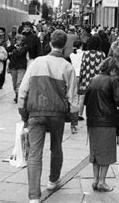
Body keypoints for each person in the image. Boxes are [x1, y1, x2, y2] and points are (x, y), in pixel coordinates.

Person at [17, 30, 79, 203]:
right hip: (57, 114)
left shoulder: (37, 62)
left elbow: (23, 90)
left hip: (35, 112)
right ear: (65, 45)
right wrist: (74, 119)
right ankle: (53, 180)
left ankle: (34, 196)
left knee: (34, 153)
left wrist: (23, 112)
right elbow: (73, 96)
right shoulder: (67, 67)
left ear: (50, 43)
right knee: (56, 146)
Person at [84, 57, 119, 193]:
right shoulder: (113, 80)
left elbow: (86, 100)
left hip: (92, 121)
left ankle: (95, 180)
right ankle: (102, 181)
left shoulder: (94, 79)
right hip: (107, 121)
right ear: (113, 69)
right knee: (106, 152)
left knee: (96, 152)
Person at [78, 36, 106, 120]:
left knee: (82, 97)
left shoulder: (85, 53)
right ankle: (95, 113)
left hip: (86, 78)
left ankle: (80, 113)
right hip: (97, 80)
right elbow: (103, 67)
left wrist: (81, 78)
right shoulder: (101, 54)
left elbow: (82, 67)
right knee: (96, 98)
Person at [6, 34, 28, 103]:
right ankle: (16, 94)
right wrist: (11, 52)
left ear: (23, 41)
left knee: (19, 82)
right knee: (14, 83)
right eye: (17, 40)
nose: (18, 41)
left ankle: (19, 96)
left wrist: (13, 52)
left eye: (20, 40)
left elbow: (19, 54)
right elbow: (6, 51)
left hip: (21, 67)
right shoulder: (13, 47)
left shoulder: (25, 47)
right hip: (13, 66)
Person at [69, 40, 84, 132]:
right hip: (81, 75)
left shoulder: (71, 55)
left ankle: (73, 116)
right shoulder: (84, 54)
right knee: (81, 96)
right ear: (81, 46)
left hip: (73, 75)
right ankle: (80, 113)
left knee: (73, 96)